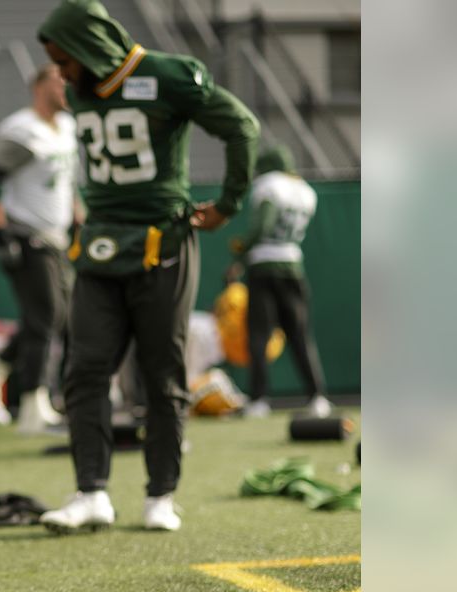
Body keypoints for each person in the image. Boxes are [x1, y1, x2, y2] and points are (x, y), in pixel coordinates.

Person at [36, 0, 260, 532]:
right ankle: (91, 491)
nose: (61, 74)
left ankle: (161, 493)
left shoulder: (167, 75)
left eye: (64, 60)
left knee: (161, 374)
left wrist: (227, 203)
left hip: (163, 243)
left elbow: (241, 127)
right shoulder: (82, 89)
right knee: (84, 370)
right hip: (100, 247)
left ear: (90, 47)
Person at [0, 63, 81, 433]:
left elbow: (65, 185)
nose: (66, 84)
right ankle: (33, 407)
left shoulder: (67, 127)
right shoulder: (24, 130)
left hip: (57, 235)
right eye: (57, 78)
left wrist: (78, 221)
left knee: (53, 317)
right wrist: (1, 235)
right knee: (46, 316)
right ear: (38, 86)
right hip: (26, 233)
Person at [228, 145, 331, 419]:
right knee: (299, 335)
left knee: (259, 336)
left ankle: (259, 399)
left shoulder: (269, 186)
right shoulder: (304, 190)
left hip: (264, 267)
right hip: (293, 265)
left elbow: (263, 224)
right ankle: (317, 396)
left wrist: (240, 247)